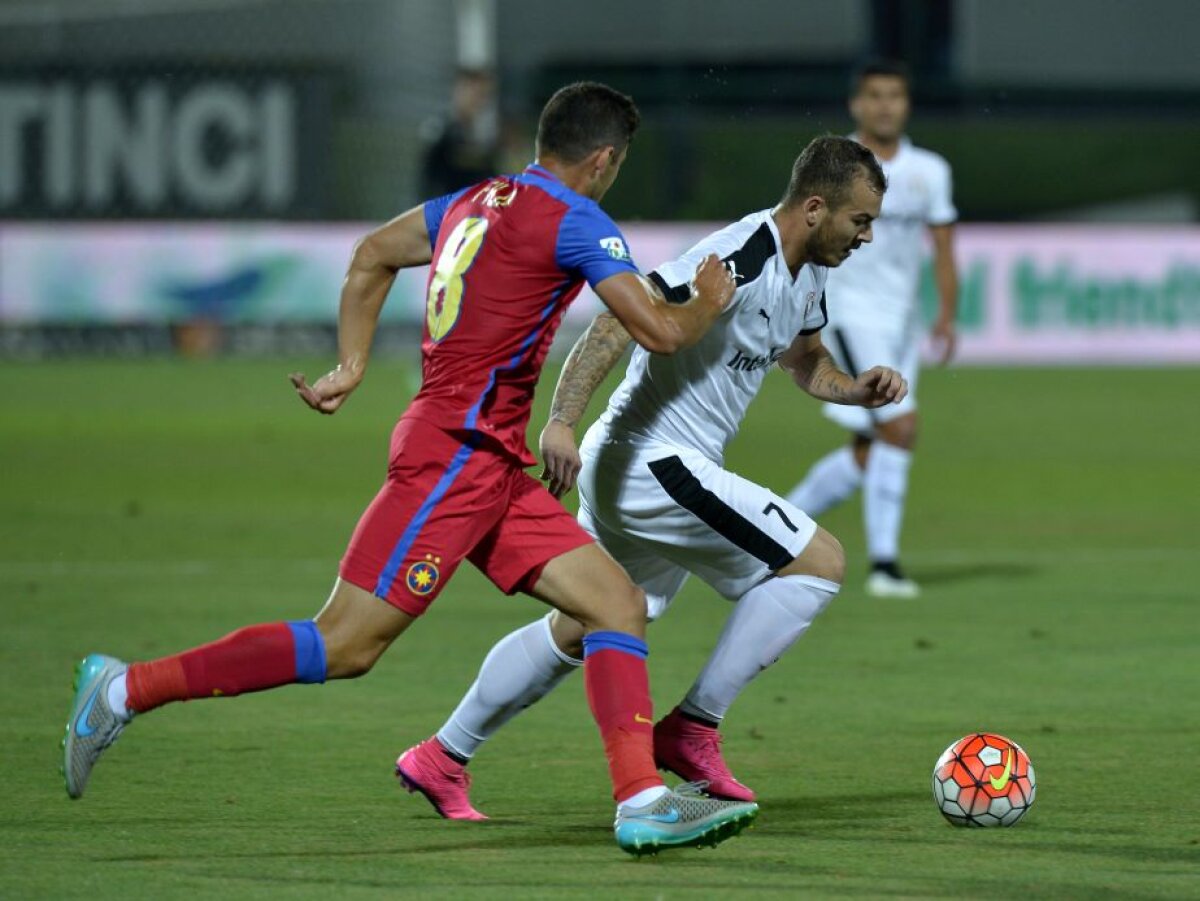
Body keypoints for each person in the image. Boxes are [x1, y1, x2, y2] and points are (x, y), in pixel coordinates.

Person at [61, 81, 759, 857]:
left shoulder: (472, 201)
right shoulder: (578, 218)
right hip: (454, 457)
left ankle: (641, 800)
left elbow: (371, 255)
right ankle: (125, 687)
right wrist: (705, 301)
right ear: (602, 160)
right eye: (615, 165)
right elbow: (659, 331)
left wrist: (353, 363)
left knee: (616, 603)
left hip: (489, 460)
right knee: (345, 645)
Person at [392, 135, 907, 819]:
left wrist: (856, 391)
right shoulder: (736, 257)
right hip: (653, 462)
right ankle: (693, 727)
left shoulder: (809, 272)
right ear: (815, 207)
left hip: (641, 467)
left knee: (583, 624)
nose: (866, 236)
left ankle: (441, 754)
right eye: (860, 220)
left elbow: (805, 360)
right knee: (818, 562)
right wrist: (560, 421)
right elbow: (616, 320)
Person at [785, 60, 959, 599]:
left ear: (907, 105)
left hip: (899, 321)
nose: (885, 105)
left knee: (873, 447)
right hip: (848, 314)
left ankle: (778, 523)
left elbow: (945, 248)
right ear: (856, 104)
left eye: (895, 96)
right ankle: (885, 565)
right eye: (875, 96)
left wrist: (946, 314)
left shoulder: (930, 171)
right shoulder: (835, 167)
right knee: (899, 427)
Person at [419, 68, 501, 198]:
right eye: (474, 93)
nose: (478, 101)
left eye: (483, 95)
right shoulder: (440, 130)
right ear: (458, 92)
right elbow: (429, 181)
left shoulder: (484, 137)